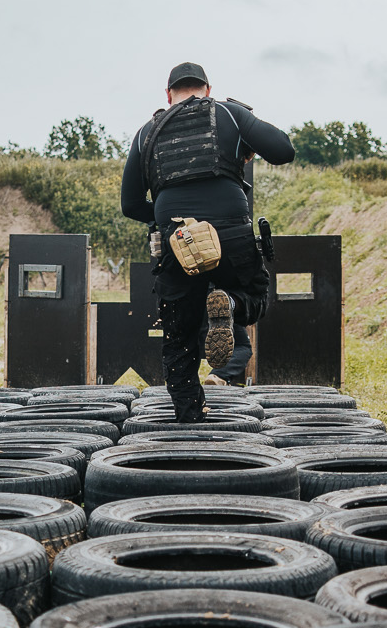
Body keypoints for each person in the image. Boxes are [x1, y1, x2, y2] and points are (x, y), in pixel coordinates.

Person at [121, 62, 295, 418]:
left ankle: (189, 416)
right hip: (231, 231)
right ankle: (230, 304)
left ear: (168, 95)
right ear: (207, 89)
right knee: (255, 298)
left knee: (179, 336)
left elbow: (130, 204)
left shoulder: (146, 132)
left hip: (177, 240)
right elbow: (283, 150)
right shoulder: (229, 114)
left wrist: (168, 217)